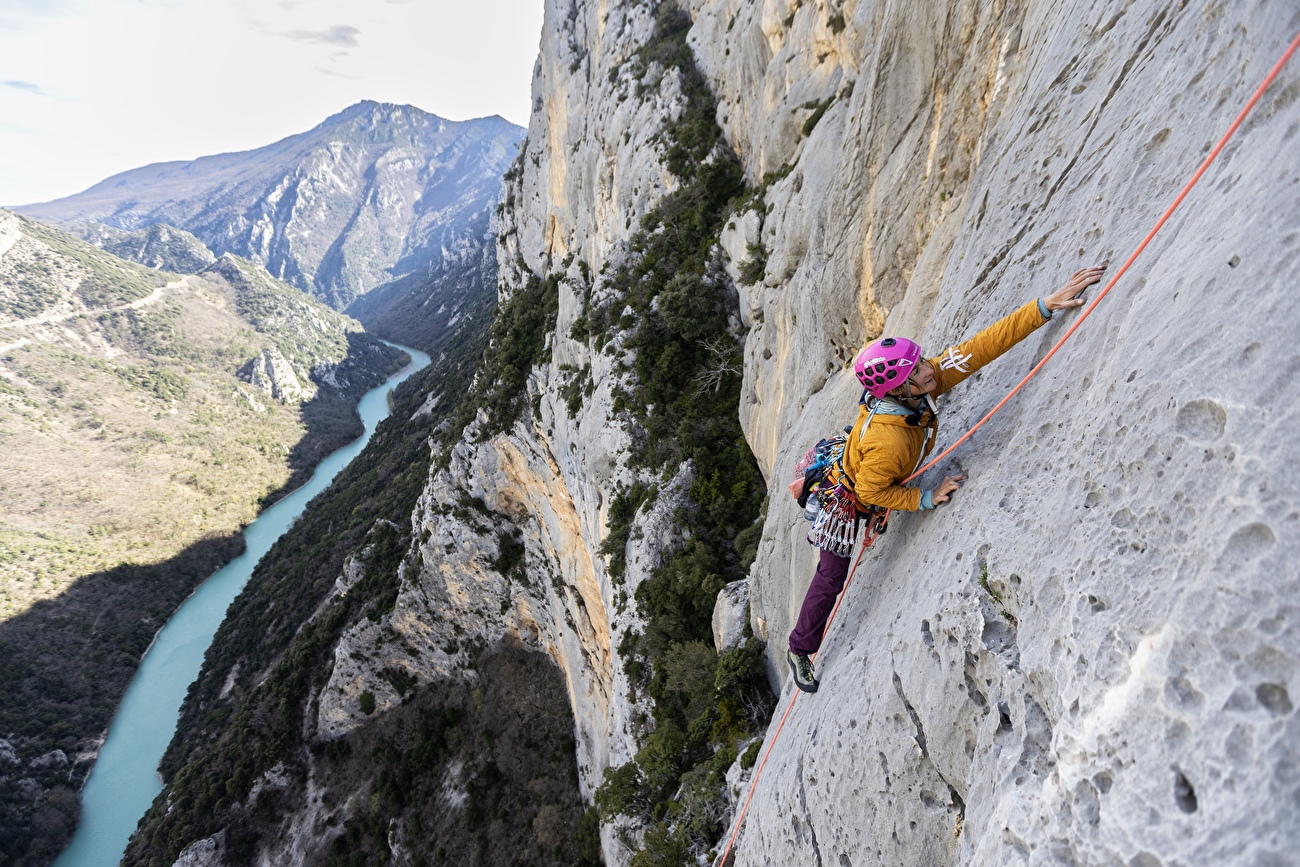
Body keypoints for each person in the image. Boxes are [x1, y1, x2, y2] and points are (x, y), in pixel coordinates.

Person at [786, 267, 1106, 693]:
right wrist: (922, 498)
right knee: (831, 577)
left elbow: (978, 349)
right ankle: (799, 648)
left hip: (865, 467)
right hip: (847, 496)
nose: (928, 371)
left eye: (921, 363)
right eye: (917, 372)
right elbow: (869, 490)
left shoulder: (917, 384)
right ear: (899, 389)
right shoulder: (890, 441)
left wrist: (1044, 307)